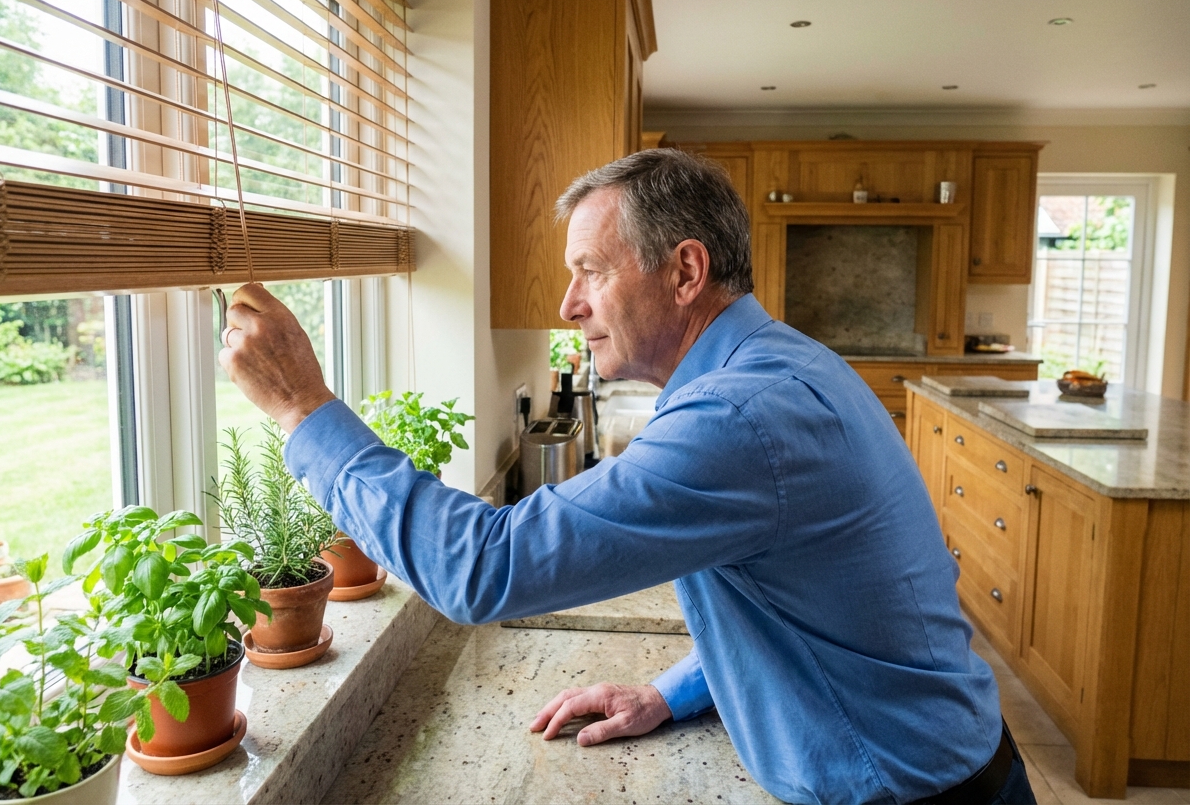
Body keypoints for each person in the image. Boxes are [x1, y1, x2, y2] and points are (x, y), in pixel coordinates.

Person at [219, 149, 1035, 804]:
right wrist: (671, 694)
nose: (569, 303)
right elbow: (814, 607)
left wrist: (302, 407)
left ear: (685, 272)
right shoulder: (780, 364)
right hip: (950, 765)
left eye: (591, 270)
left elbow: (483, 567)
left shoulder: (739, 419)